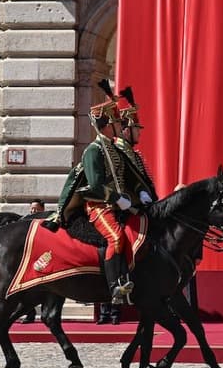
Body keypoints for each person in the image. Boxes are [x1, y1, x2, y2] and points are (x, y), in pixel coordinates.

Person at [55, 86, 156, 304]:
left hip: (122, 205)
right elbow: (95, 185)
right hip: (99, 206)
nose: (121, 127)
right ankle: (114, 287)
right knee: (116, 237)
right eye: (117, 123)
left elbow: (129, 176)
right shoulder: (94, 150)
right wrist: (117, 198)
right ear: (107, 125)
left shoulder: (114, 149)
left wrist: (141, 192)